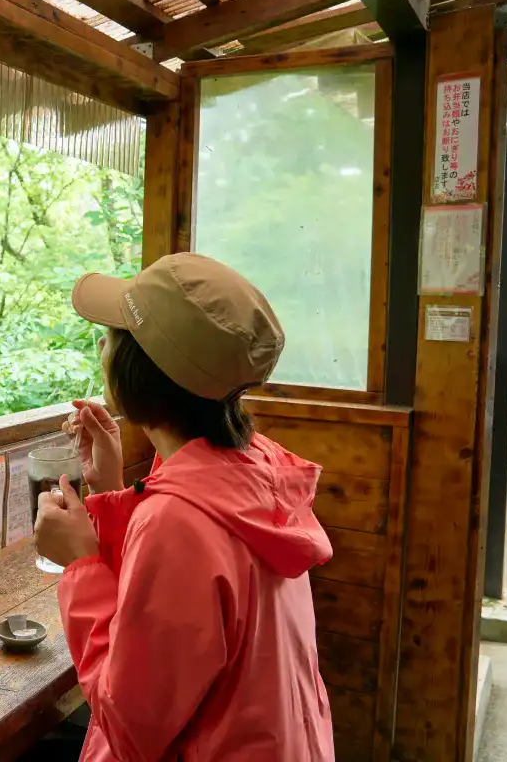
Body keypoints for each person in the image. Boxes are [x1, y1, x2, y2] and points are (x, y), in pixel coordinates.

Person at [33, 252, 335, 762]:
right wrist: (108, 487)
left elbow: (131, 726)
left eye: (114, 336)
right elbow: (177, 613)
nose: (104, 346)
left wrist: (81, 566)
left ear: (137, 370)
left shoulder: (178, 522)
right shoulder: (257, 467)